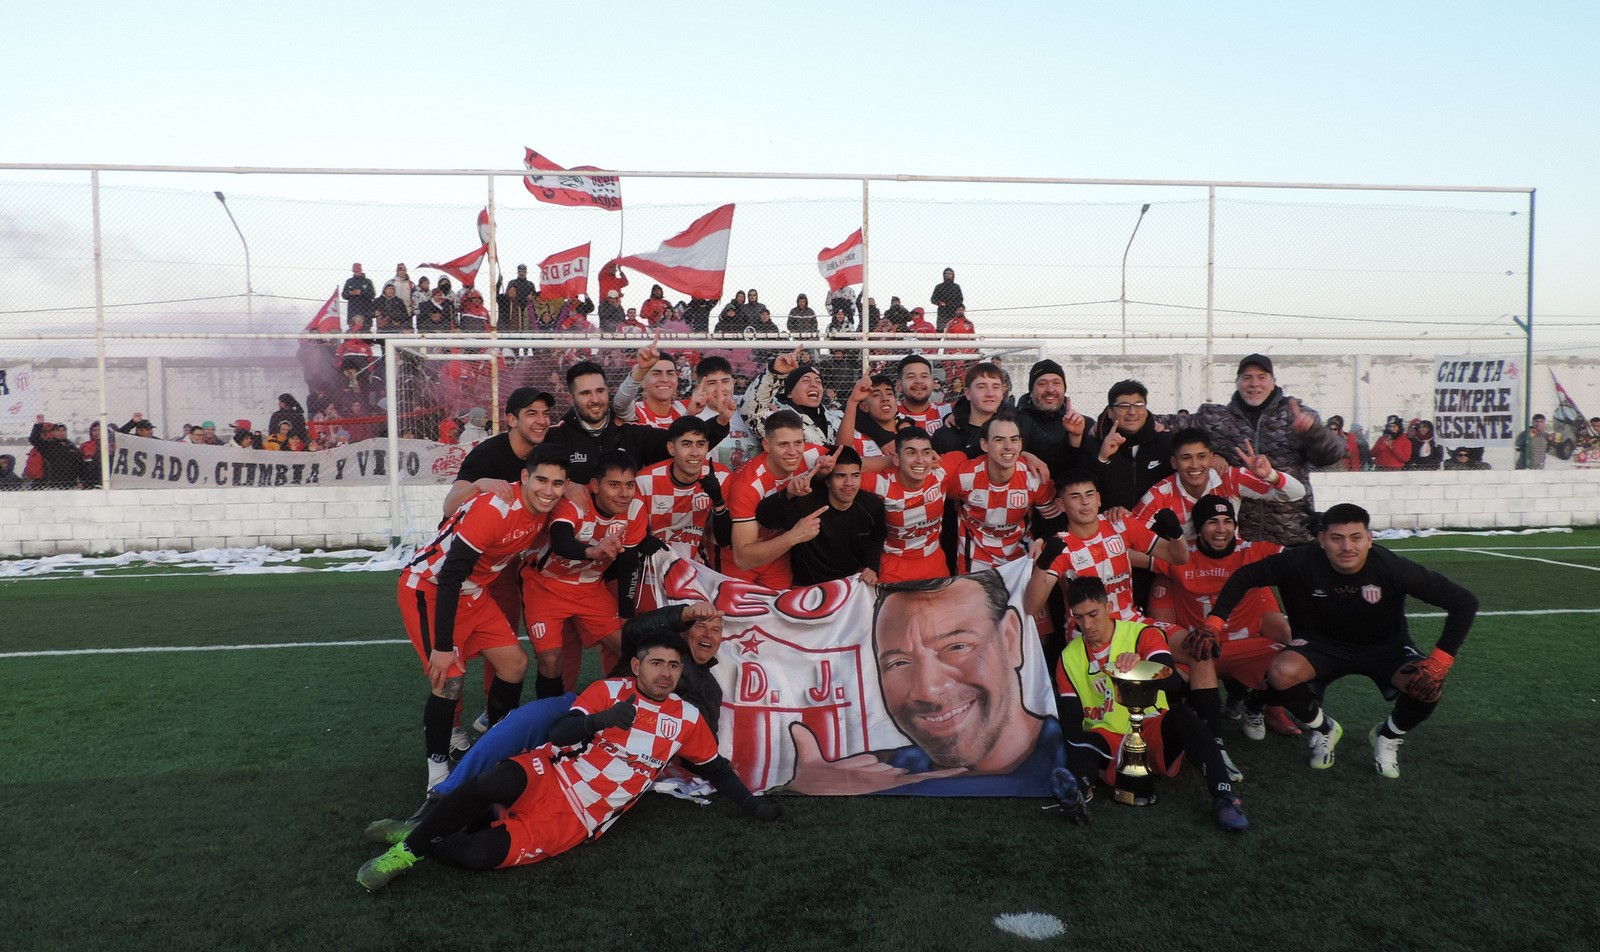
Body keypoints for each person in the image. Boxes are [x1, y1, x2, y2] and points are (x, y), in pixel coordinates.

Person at [356, 628, 785, 891]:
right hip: (553, 773)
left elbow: (715, 769)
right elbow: (560, 733)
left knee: (477, 856)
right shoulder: (609, 691)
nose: (666, 673)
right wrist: (601, 720)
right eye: (657, 662)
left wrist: (752, 805)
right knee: (490, 784)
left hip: (578, 818)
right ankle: (407, 852)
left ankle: (426, 833)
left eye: (673, 666)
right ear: (636, 666)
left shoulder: (688, 719)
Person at [1198, 503, 1478, 778]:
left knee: (1428, 687)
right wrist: (1214, 622)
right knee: (1280, 672)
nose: (1347, 547)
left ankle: (1388, 735)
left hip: (1386, 649)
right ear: (1322, 540)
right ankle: (1324, 729)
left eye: (1356, 538)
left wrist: (1441, 659)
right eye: (1337, 538)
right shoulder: (1301, 560)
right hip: (1321, 645)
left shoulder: (1392, 567)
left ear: (1369, 539)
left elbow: (1464, 602)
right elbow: (1245, 576)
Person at [783, 571, 1063, 796]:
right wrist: (800, 787)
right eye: (899, 663)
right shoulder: (877, 766)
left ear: (1011, 639)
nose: (928, 691)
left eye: (957, 647)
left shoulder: (1067, 754)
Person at [396, 447, 569, 793]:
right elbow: (449, 575)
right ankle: (437, 772)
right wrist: (443, 648)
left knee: (515, 665)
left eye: (558, 483)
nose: (549, 490)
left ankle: (496, 746)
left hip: (474, 593)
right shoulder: (495, 509)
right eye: (541, 480)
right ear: (524, 477)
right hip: (429, 589)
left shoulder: (545, 508)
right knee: (449, 679)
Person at [1052, 577, 1249, 831]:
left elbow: (1174, 684)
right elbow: (1070, 718)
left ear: (1108, 606)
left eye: (1093, 614)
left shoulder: (1142, 633)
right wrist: (1078, 759)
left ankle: (1224, 797)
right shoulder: (1068, 657)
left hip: (1152, 730)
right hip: (1108, 741)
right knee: (1081, 743)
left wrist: (1142, 664)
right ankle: (1077, 792)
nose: (1087, 625)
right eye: (1079, 617)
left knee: (1185, 718)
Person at [1144, 496, 1301, 739]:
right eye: (1212, 522)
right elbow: (1128, 553)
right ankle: (1189, 711)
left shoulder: (1252, 551)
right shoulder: (1180, 554)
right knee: (1165, 670)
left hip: (1244, 646)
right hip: (1197, 649)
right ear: (1199, 527)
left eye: (1228, 521)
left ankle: (1258, 705)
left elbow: (1299, 559)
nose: (1221, 529)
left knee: (1299, 660)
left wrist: (1324, 541)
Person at [521, 450, 651, 700]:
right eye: (614, 485)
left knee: (630, 648)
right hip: (546, 587)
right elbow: (561, 541)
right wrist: (593, 550)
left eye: (629, 485)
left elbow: (628, 564)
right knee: (550, 659)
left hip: (590, 588)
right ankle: (549, 722)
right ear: (594, 485)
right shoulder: (573, 503)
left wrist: (626, 615)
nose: (623, 494)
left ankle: (629, 708)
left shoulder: (635, 510)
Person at [1184, 355, 1346, 546]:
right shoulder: (1217, 419)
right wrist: (1208, 456)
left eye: (1261, 377)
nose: (1254, 384)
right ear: (1237, 383)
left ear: (1273, 382)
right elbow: (1168, 427)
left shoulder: (1296, 415)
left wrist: (1314, 432)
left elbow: (1331, 456)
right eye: (1247, 377)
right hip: (1242, 538)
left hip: (1293, 533)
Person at [543, 361, 729, 487]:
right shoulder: (555, 437)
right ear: (570, 398)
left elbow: (682, 443)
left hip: (628, 530)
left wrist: (721, 421)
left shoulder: (631, 433)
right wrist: (566, 486)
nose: (595, 399)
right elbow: (538, 478)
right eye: (585, 393)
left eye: (600, 391)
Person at [1131, 428, 1305, 542]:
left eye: (1201, 456)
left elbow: (1296, 493)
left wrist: (1270, 475)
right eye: (1186, 458)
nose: (1195, 465)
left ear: (1211, 457)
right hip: (1185, 571)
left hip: (1231, 562)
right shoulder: (1161, 492)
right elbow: (1132, 535)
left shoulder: (1230, 478)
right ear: (1174, 462)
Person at [725, 410, 830, 589]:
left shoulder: (811, 455)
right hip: (738, 557)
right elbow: (742, 559)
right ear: (767, 445)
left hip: (778, 555)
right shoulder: (747, 484)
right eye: (783, 444)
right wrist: (795, 536)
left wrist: (892, 458)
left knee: (780, 613)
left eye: (798, 442)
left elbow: (856, 464)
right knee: (738, 615)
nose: (792, 452)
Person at [755, 446, 886, 586]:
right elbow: (765, 518)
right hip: (807, 589)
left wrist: (871, 567)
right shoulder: (805, 503)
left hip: (851, 588)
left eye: (855, 475)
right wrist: (789, 492)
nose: (849, 483)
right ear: (828, 481)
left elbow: (876, 538)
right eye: (840, 476)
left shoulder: (872, 506)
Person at [944, 411, 1054, 573]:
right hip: (973, 564)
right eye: (999, 440)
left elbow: (1054, 521)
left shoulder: (1034, 477)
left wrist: (1040, 540)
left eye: (1014, 440)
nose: (1008, 446)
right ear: (984, 445)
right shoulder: (964, 476)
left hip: (1020, 560)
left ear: (1020, 444)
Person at [633, 416, 732, 566]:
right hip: (651, 567)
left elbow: (724, 540)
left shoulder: (721, 476)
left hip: (698, 568)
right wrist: (642, 540)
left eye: (700, 444)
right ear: (671, 448)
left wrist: (718, 502)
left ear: (707, 447)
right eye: (686, 444)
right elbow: (630, 536)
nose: (694, 452)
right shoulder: (644, 481)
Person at [1087, 380, 1173, 514]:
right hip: (1112, 524)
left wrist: (1217, 456)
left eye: (1139, 405)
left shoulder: (1165, 441)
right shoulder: (1094, 442)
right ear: (1110, 412)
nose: (1132, 412)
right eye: (1124, 406)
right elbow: (1084, 486)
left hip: (1157, 525)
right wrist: (1102, 458)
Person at [896, 353, 947, 436]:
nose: (918, 381)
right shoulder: (888, 413)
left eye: (924, 376)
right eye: (911, 376)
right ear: (899, 385)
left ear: (933, 382)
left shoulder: (948, 410)